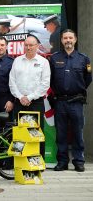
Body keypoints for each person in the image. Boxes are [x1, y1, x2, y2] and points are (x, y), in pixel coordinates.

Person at [50, 29, 92, 172]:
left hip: (76, 101)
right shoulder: (54, 58)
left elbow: (88, 78)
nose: (68, 40)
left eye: (70, 38)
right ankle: (62, 161)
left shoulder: (84, 58)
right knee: (61, 133)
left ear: (75, 40)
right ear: (61, 40)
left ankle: (79, 161)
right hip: (60, 101)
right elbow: (50, 79)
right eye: (65, 38)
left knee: (77, 132)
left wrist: (76, 89)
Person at [9, 35, 50, 157]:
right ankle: (19, 161)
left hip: (36, 103)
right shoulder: (17, 61)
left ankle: (38, 161)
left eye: (31, 45)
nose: (28, 47)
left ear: (37, 46)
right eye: (26, 45)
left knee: (36, 132)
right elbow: (12, 82)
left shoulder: (43, 62)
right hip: (19, 102)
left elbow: (45, 84)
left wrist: (30, 97)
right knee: (19, 132)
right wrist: (20, 97)